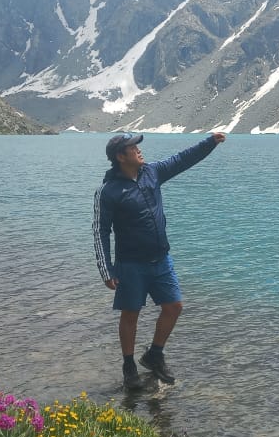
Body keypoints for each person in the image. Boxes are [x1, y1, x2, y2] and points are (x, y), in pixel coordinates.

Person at [94, 130, 226, 390]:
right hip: (130, 264)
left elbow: (182, 159)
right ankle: (129, 365)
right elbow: (100, 231)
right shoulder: (108, 191)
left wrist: (209, 142)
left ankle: (154, 354)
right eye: (133, 147)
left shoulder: (152, 172)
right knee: (130, 314)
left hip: (161, 259)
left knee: (174, 306)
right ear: (121, 156)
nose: (139, 150)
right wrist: (106, 270)